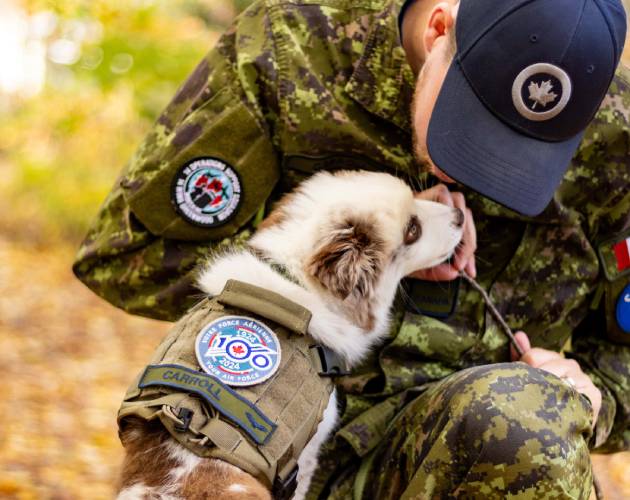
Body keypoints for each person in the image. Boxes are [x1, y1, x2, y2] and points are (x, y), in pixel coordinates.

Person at [74, 0, 630, 497]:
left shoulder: (618, 139)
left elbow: (619, 365)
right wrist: (318, 269)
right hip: (266, 446)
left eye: (521, 153)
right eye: (470, 119)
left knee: (527, 415)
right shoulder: (290, 51)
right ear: (440, 30)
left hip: (477, 463)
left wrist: (591, 397)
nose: (472, 165)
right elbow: (127, 258)